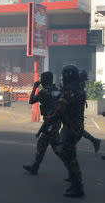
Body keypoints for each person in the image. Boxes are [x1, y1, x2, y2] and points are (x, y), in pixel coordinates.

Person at [47, 65, 85, 197]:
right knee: (70, 155)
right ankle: (75, 184)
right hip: (78, 125)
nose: (62, 78)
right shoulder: (79, 89)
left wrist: (50, 119)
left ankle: (78, 188)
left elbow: (61, 109)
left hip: (70, 127)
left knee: (68, 156)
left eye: (63, 75)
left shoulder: (68, 90)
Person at [23, 71, 61, 175]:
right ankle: (35, 167)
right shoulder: (57, 91)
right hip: (56, 121)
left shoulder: (44, 92)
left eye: (42, 79)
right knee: (47, 145)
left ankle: (72, 165)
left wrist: (35, 87)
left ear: (45, 80)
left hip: (50, 122)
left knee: (51, 147)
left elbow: (31, 101)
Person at [79, 70, 101, 153]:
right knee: (78, 130)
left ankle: (95, 141)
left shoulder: (80, 86)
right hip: (78, 110)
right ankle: (94, 141)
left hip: (78, 111)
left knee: (77, 130)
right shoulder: (80, 85)